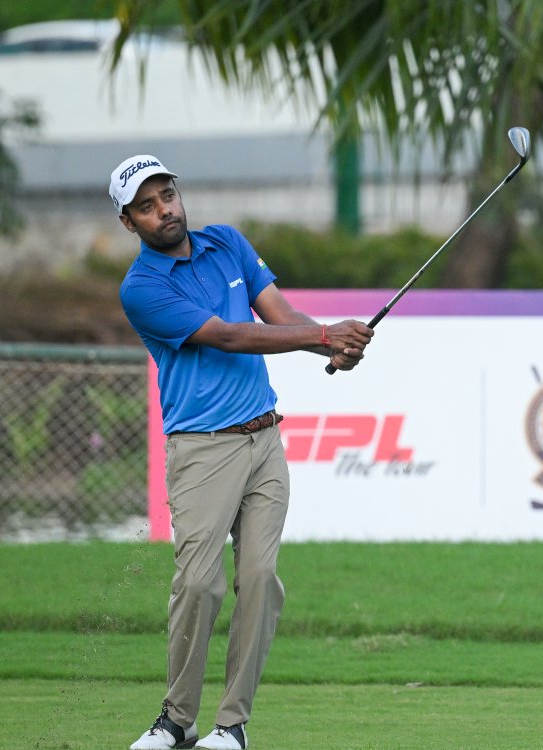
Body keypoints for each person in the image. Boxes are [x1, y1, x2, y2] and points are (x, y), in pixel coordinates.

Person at [110, 155, 373, 750]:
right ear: (130, 223)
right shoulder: (142, 288)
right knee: (198, 585)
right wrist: (323, 334)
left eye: (167, 195)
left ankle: (232, 725)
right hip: (202, 450)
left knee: (259, 580)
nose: (163, 210)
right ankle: (177, 718)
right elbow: (228, 336)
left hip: (264, 442)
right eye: (146, 207)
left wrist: (333, 348)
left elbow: (280, 316)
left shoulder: (227, 243)